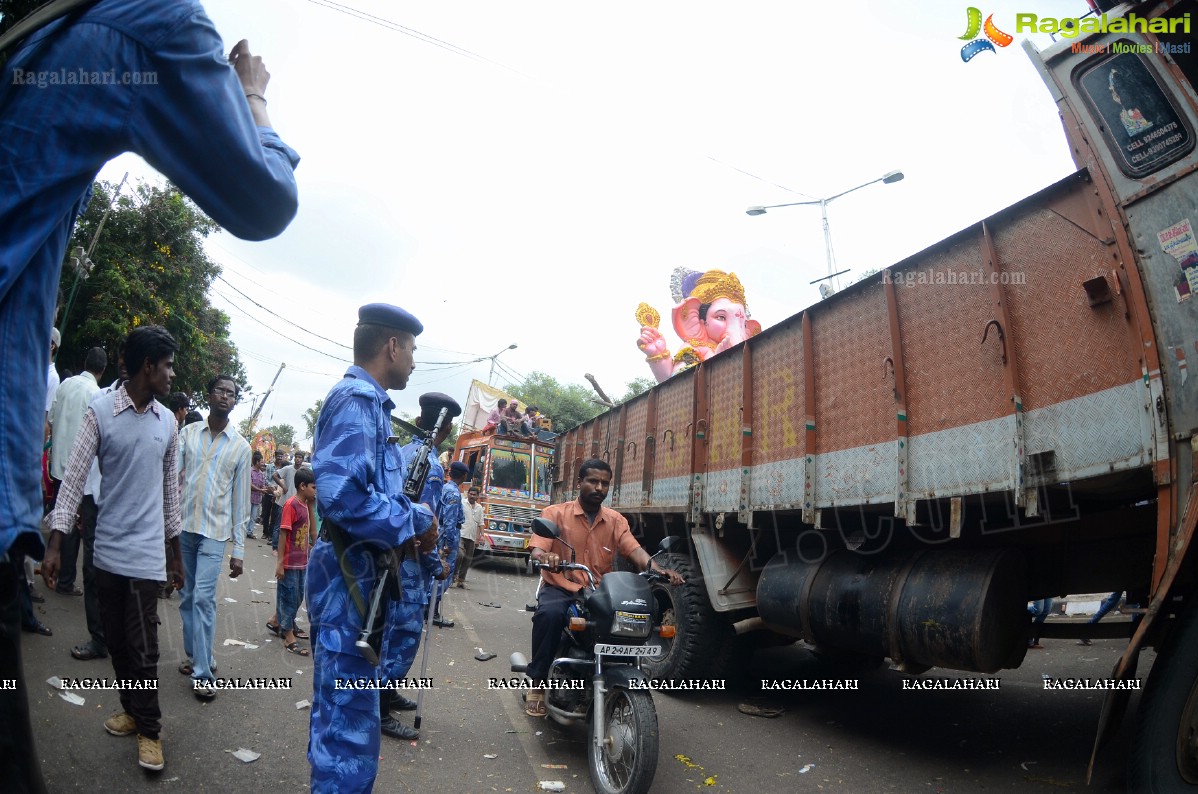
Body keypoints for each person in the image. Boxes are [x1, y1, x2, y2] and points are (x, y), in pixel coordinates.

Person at [307, 303, 439, 793]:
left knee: (347, 716)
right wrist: (417, 520)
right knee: (346, 728)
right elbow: (342, 498)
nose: (412, 360)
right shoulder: (357, 401)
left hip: (360, 579)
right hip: (348, 582)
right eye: (411, 349)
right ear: (391, 346)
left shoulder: (372, 405)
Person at [41, 325, 185, 772]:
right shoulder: (100, 411)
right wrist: (56, 543)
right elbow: (74, 477)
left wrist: (174, 555)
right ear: (148, 366)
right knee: (119, 643)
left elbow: (170, 496)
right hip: (106, 552)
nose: (171, 375)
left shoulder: (168, 423)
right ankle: (131, 708)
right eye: (167, 366)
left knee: (144, 647)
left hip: (145, 556)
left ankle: (150, 730)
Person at [525, 459, 684, 717]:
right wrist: (546, 558)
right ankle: (538, 682)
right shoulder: (555, 513)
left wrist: (657, 569)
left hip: (599, 590)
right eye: (593, 481)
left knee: (627, 620)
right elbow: (538, 549)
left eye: (604, 483)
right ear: (579, 482)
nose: (599, 487)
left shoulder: (615, 520)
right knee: (550, 615)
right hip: (562, 585)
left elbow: (633, 549)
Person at [379, 392, 459, 739]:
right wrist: (436, 566)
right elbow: (422, 524)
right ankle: (379, 708)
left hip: (389, 557)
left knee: (389, 631)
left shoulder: (401, 451)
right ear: (445, 428)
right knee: (403, 636)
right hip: (410, 565)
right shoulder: (431, 464)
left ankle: (388, 693)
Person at [177, 375, 250, 700]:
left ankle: (203, 674)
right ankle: (196, 655)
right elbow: (171, 479)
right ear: (208, 395)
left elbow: (241, 501)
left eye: (231, 393)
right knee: (187, 595)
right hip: (183, 527)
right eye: (220, 390)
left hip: (215, 533)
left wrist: (239, 550)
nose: (225, 396)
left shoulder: (241, 446)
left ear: (235, 401)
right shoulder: (188, 434)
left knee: (203, 598)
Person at [46, 346, 107, 597]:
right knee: (73, 524)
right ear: (102, 371)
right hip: (79, 469)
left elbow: (51, 419)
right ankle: (65, 580)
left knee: (60, 515)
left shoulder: (65, 384)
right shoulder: (97, 395)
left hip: (58, 462)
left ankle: (53, 565)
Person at [275, 467, 316, 656]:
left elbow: (311, 531)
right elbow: (283, 534)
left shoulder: (306, 505)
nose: (316, 491)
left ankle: (279, 620)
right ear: (302, 486)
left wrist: (312, 505)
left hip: (302, 562)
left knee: (298, 595)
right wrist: (280, 563)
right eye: (313, 487)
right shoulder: (291, 505)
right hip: (290, 562)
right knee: (289, 596)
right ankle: (288, 634)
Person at [432, 461, 468, 627]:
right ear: (464, 476)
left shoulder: (445, 487)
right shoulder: (453, 493)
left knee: (438, 571)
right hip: (448, 536)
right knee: (444, 573)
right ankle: (433, 611)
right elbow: (450, 521)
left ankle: (431, 609)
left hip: (440, 532)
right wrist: (449, 543)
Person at [454, 486, 485, 589]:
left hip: (471, 537)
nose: (472, 496)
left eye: (474, 494)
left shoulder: (479, 508)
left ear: (477, 496)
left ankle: (461, 581)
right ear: (468, 494)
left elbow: (480, 522)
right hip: (461, 534)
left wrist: (481, 536)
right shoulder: (462, 503)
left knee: (468, 559)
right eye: (470, 494)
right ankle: (453, 576)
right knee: (459, 555)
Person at [249, 451, 270, 539]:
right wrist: (261, 489)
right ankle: (242, 531)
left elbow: (263, 485)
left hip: (257, 499)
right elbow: (249, 485)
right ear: (257, 462)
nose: (263, 463)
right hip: (248, 498)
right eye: (261, 462)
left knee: (253, 517)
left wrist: (268, 488)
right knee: (245, 516)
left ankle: (249, 532)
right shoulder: (250, 471)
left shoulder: (261, 473)